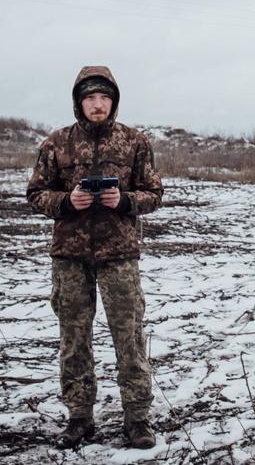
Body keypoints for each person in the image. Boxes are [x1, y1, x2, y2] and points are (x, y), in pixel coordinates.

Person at [27, 66, 164, 449]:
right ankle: (79, 417)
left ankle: (137, 419)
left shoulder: (134, 142)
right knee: (73, 339)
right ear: (79, 102)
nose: (98, 104)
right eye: (90, 98)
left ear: (114, 101)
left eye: (104, 97)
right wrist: (66, 202)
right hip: (69, 256)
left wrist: (125, 201)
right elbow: (36, 193)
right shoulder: (57, 143)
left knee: (129, 338)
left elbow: (154, 193)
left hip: (119, 255)